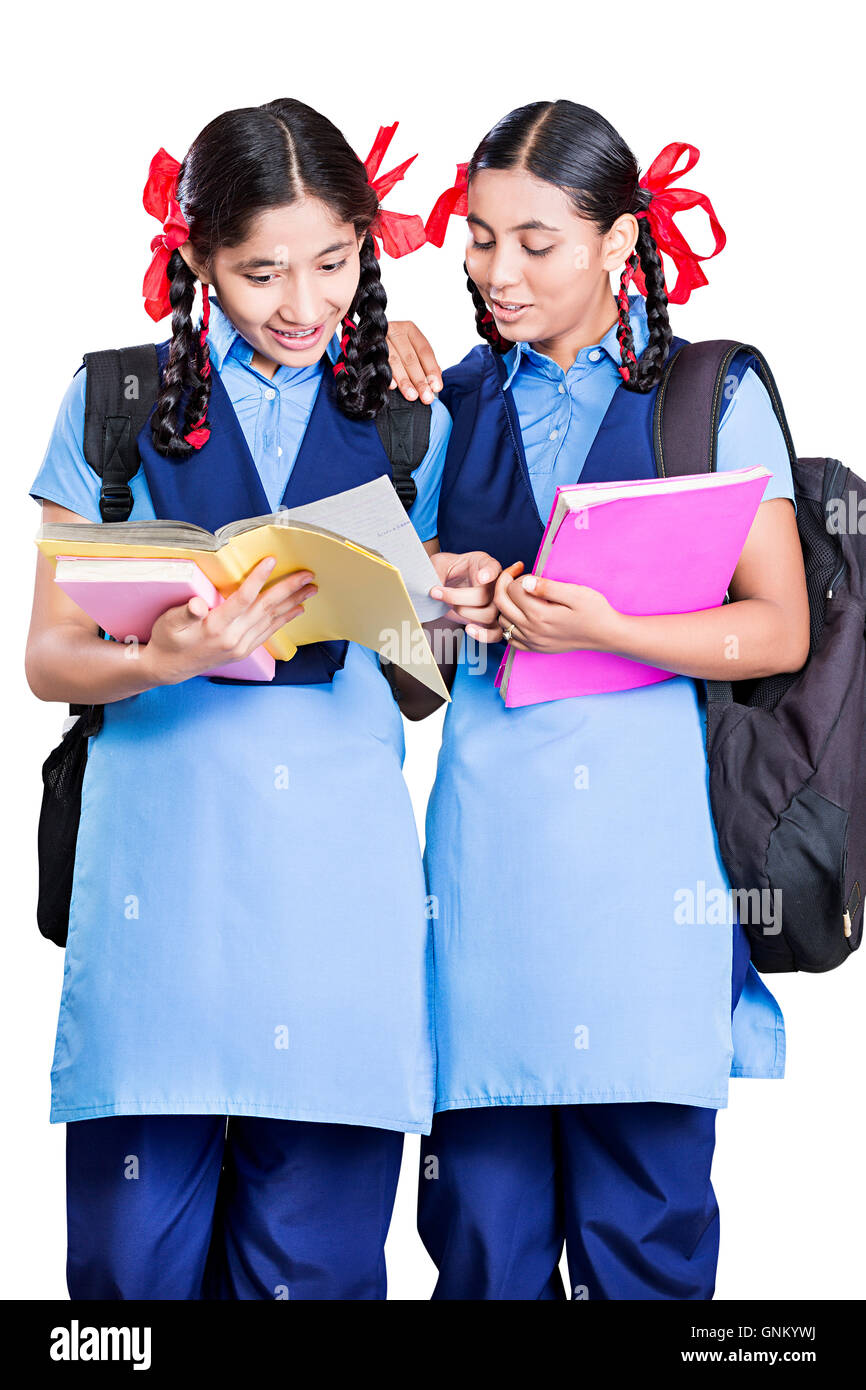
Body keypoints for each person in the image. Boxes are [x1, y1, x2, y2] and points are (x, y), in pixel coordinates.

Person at [25, 98, 451, 1301]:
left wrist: (426, 603)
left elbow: (426, 685)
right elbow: (49, 654)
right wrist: (160, 659)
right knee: (125, 1271)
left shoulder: (409, 413)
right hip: (161, 890)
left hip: (338, 901)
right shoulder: (111, 402)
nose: (305, 305)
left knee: (313, 1268)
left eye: (333, 263)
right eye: (262, 272)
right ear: (199, 262)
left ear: (368, 249)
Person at [387, 99, 809, 1300]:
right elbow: (400, 672)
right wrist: (436, 600)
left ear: (620, 241)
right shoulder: (447, 407)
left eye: (535, 242)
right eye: (476, 238)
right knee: (480, 1246)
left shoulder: (705, 396)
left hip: (648, 894)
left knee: (649, 1245)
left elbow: (776, 624)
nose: (494, 271)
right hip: (484, 888)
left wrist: (615, 628)